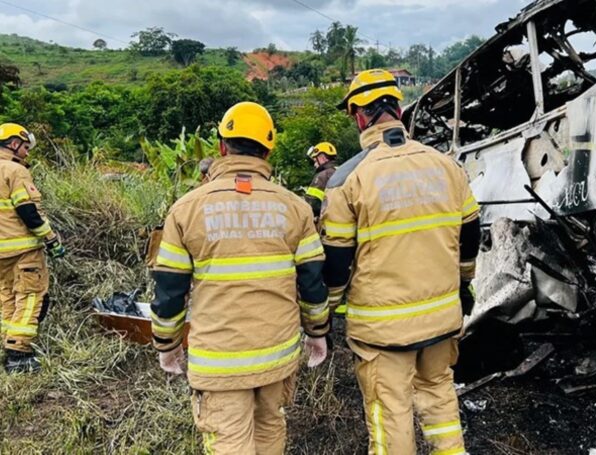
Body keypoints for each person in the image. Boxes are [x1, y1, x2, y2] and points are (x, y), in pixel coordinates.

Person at [151, 102, 330, 454]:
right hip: (277, 356)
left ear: (221, 146)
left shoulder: (186, 209)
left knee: (230, 442)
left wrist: (166, 345)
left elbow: (169, 290)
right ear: (267, 150)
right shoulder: (295, 207)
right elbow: (312, 283)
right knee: (269, 431)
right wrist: (318, 333)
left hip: (220, 362)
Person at [321, 69, 481, 454]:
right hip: (442, 318)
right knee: (440, 398)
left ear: (360, 116)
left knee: (390, 413)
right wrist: (463, 287)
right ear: (399, 111)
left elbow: (337, 261)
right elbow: (471, 236)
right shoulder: (446, 166)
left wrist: (325, 310)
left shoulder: (347, 180)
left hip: (383, 329)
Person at [0, 123, 66, 373]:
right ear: (14, 144)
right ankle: (19, 354)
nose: (27, 153)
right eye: (26, 147)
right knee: (30, 297)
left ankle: (8, 342)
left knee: (7, 297)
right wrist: (51, 239)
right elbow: (28, 211)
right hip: (23, 250)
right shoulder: (15, 170)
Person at [304, 142, 338, 220]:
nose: (315, 164)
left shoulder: (322, 176)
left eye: (315, 161)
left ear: (322, 157)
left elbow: (312, 203)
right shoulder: (339, 171)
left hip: (326, 222)